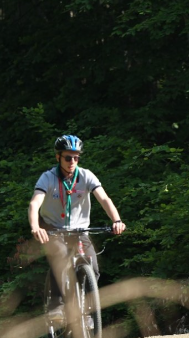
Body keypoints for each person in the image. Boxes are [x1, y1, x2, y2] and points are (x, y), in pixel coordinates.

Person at [27, 134, 126, 319]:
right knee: (61, 256)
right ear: (58, 157)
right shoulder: (47, 178)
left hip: (80, 231)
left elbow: (104, 199)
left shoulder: (86, 175)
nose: (72, 161)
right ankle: (56, 304)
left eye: (76, 157)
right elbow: (34, 204)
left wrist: (117, 220)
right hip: (52, 228)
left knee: (93, 267)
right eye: (67, 157)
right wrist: (35, 227)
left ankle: (86, 313)